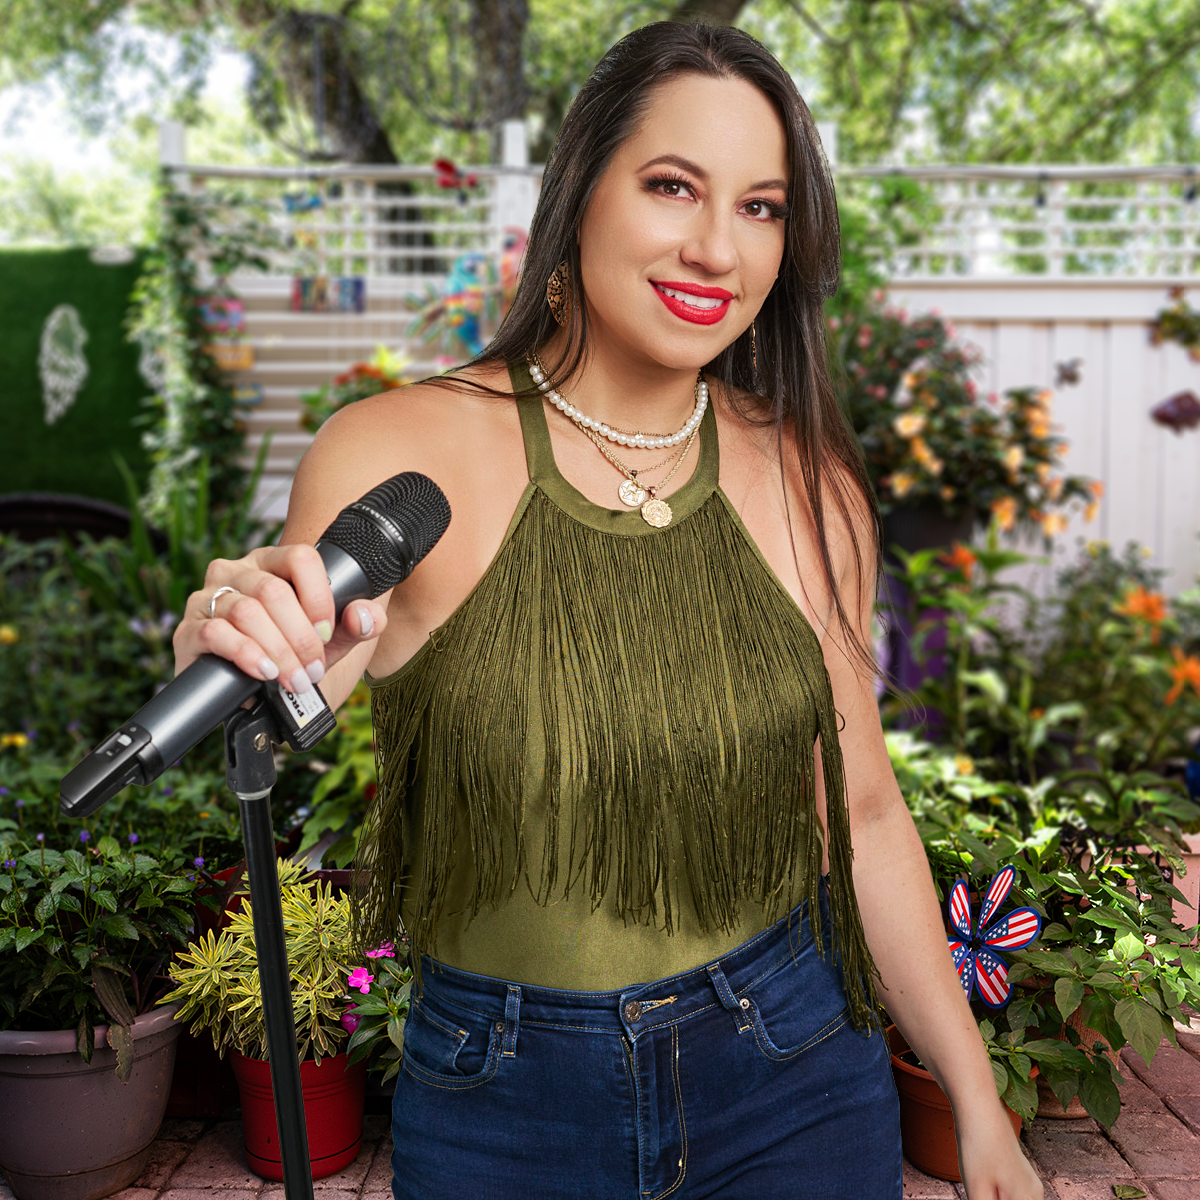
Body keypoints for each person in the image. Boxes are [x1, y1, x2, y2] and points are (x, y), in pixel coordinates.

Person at [174, 21, 1044, 1200]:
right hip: (505, 1101)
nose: (716, 247)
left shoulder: (808, 479)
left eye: (762, 207)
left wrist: (979, 1104)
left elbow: (869, 815)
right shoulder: (398, 452)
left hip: (794, 1069)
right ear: (580, 192)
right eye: (673, 185)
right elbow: (286, 692)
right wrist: (229, 642)